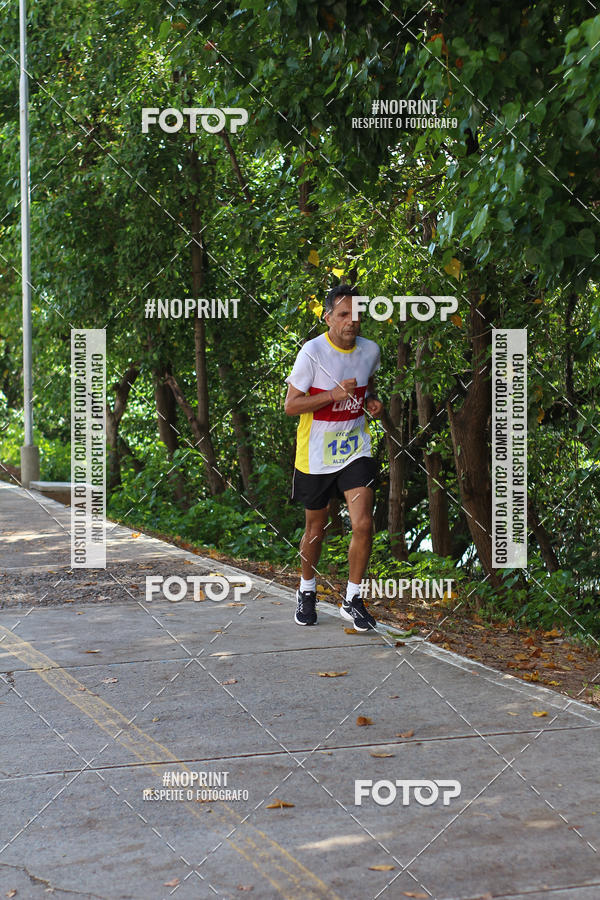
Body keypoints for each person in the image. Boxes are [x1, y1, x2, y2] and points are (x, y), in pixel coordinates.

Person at [284, 285, 384, 632]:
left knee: (364, 523)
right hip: (316, 455)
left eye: (356, 315)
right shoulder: (312, 353)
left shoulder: (371, 350)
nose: (351, 321)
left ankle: (353, 599)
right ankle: (307, 589)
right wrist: (331, 395)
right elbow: (291, 405)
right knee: (316, 528)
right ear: (328, 318)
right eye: (343, 315)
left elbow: (368, 384)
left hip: (355, 449)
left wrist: (370, 401)